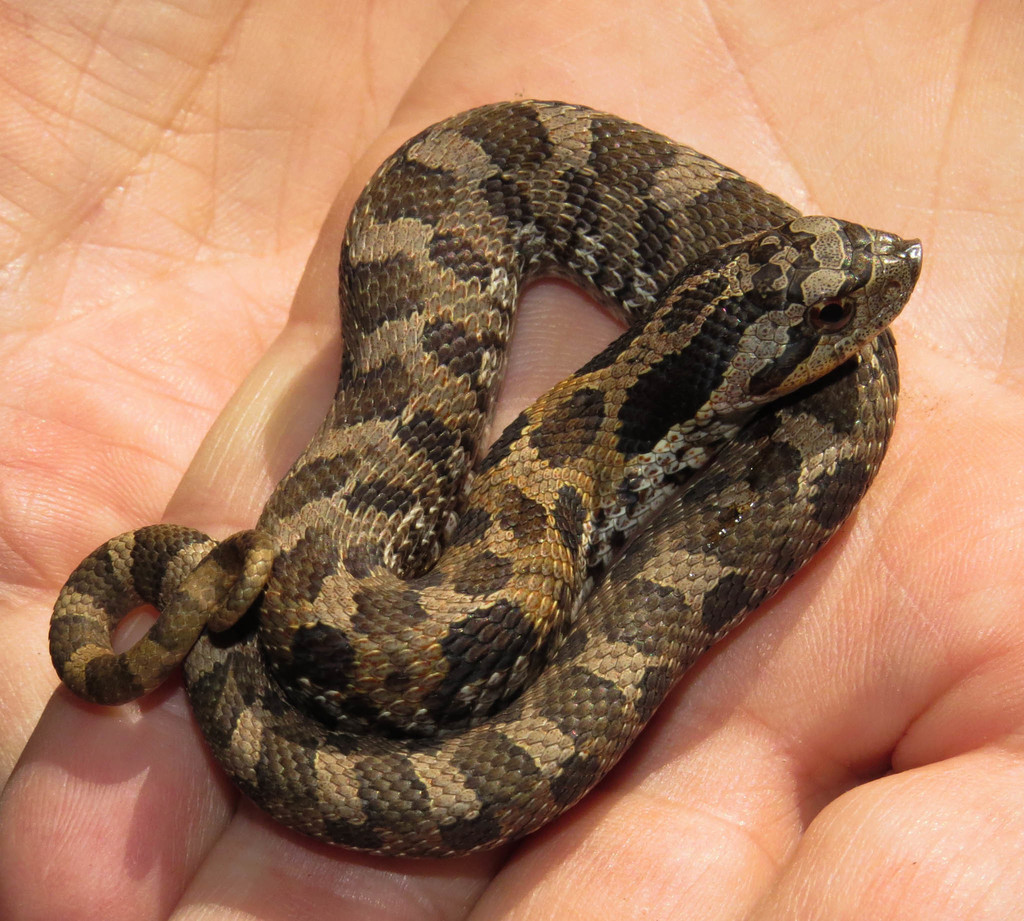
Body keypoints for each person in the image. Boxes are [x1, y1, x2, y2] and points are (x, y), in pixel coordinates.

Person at [1, 2, 1021, 918]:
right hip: (415, 560)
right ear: (719, 345)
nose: (897, 267)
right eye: (837, 311)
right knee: (366, 610)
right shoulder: (579, 436)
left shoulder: (714, 401)